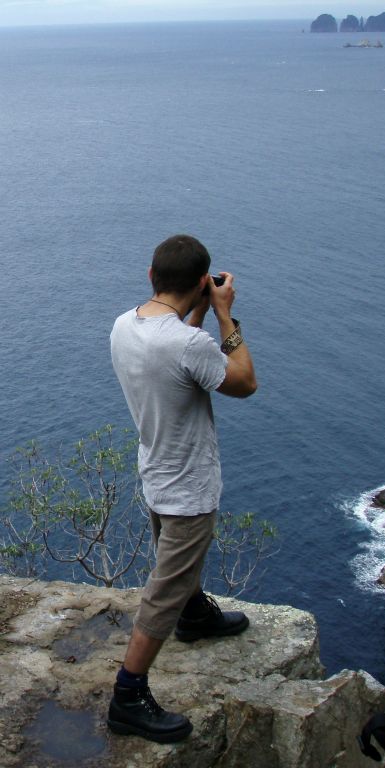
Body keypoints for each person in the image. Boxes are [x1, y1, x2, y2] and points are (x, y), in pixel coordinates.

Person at [108, 234, 257, 743]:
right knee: (164, 589)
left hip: (155, 472)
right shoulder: (190, 342)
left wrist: (195, 308)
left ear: (151, 276)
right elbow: (242, 382)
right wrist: (224, 315)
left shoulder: (125, 325)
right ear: (200, 283)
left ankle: (194, 615)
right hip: (189, 486)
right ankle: (128, 695)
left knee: (179, 572)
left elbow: (178, 354)